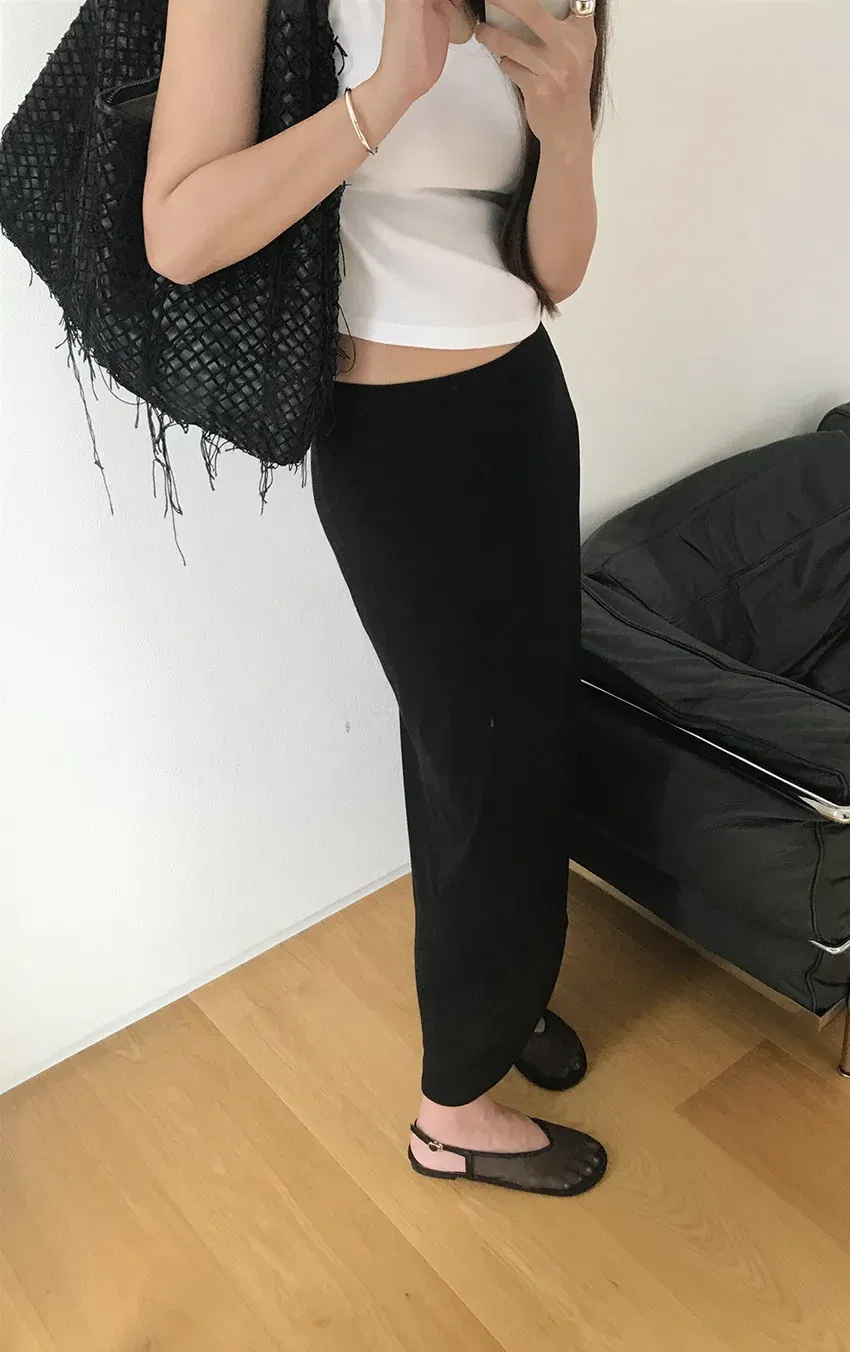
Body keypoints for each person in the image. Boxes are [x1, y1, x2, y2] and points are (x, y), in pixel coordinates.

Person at [142, 0, 609, 1197]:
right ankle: (452, 1112)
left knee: (520, 743)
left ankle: (504, 996)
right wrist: (389, 89)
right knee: (479, 760)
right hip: (394, 437)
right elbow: (178, 233)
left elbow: (553, 271)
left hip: (522, 402)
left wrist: (567, 132)